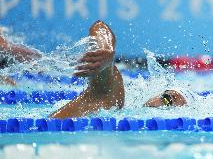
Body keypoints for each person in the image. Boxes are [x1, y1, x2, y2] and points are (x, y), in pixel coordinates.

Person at [49, 20, 187, 119]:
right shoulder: (113, 102)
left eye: (170, 107)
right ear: (158, 93)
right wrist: (106, 48)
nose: (160, 107)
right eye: (166, 100)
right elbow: (99, 27)